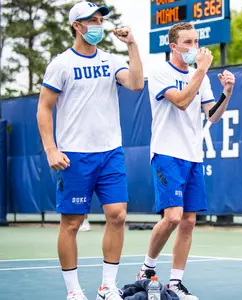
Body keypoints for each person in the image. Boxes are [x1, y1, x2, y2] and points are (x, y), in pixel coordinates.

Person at [36, 1, 144, 300]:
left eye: (99, 20)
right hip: (74, 155)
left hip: (110, 152)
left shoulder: (111, 60)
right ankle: (73, 292)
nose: (96, 25)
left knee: (118, 215)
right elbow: (44, 108)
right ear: (76, 26)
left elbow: (135, 84)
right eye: (90, 20)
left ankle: (107, 287)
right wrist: (51, 150)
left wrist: (132, 45)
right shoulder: (61, 64)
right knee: (71, 223)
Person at [136, 22, 235, 300]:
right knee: (173, 217)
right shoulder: (159, 72)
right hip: (166, 153)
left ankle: (175, 282)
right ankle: (146, 269)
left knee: (189, 221)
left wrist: (226, 93)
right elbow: (180, 100)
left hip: (193, 155)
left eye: (196, 41)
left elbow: (212, 115)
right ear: (173, 46)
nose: (195, 47)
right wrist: (202, 69)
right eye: (188, 42)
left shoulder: (199, 77)